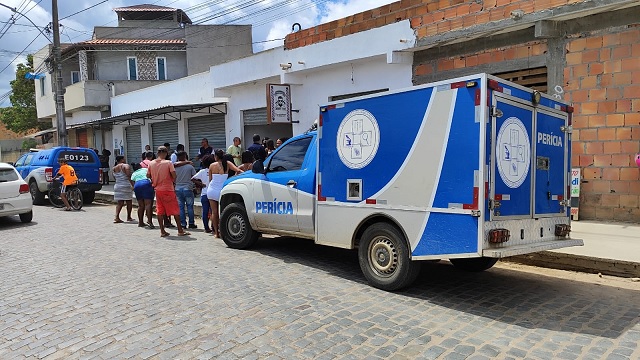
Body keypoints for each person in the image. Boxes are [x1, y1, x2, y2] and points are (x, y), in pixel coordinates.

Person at [147, 146, 190, 237]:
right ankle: (180, 230)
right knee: (175, 210)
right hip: (168, 189)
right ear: (166, 153)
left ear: (158, 153)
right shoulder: (168, 163)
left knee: (160, 211)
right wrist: (171, 181)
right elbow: (174, 175)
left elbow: (148, 175)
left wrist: (155, 179)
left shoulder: (151, 163)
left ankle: (162, 231)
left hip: (158, 190)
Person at [207, 149, 243, 238]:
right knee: (223, 212)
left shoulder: (212, 165)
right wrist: (233, 178)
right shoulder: (227, 163)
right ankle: (223, 231)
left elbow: (210, 180)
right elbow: (238, 170)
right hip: (223, 191)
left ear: (216, 156)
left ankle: (216, 233)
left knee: (214, 212)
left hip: (212, 190)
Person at [191, 154, 214, 233]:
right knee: (213, 211)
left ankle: (206, 228)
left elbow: (192, 179)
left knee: (205, 211)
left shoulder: (202, 172)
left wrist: (201, 184)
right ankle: (214, 227)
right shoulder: (215, 171)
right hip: (213, 194)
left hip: (204, 193)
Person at [174, 151, 197, 229]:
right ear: (185, 156)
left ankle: (183, 224)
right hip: (188, 188)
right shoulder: (190, 167)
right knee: (190, 206)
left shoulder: (174, 167)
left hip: (177, 188)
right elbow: (195, 177)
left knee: (181, 207)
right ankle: (191, 223)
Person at [112, 155, 134, 223]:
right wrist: (133, 184)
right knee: (129, 202)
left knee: (120, 203)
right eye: (124, 158)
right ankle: (129, 217)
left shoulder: (114, 168)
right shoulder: (125, 166)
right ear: (122, 160)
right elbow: (128, 176)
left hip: (118, 186)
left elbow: (115, 178)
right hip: (126, 185)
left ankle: (117, 216)